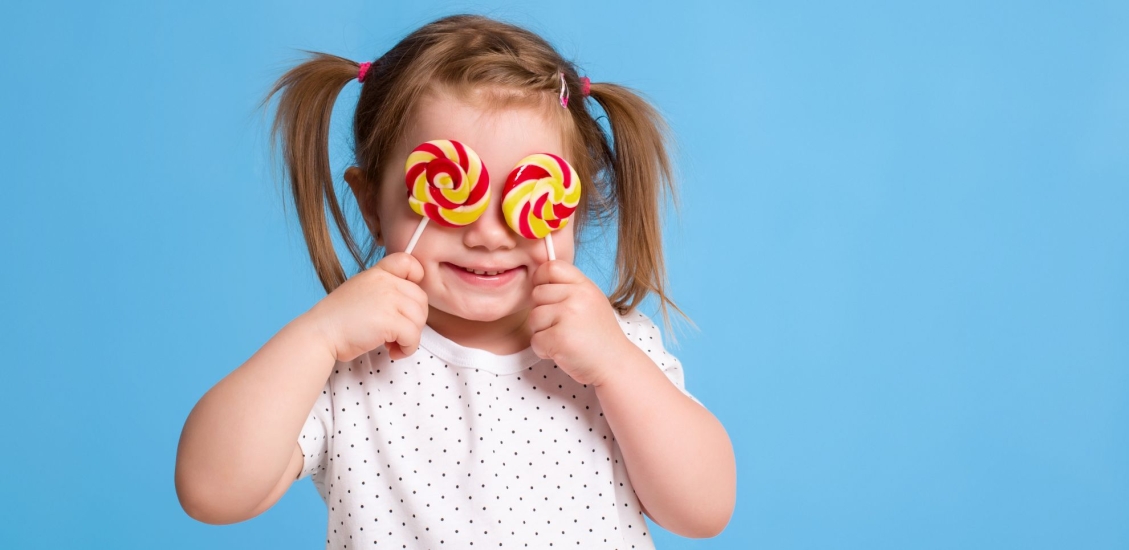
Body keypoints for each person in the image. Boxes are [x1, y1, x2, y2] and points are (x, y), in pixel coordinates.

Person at [175, 14, 736, 548]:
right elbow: (210, 492)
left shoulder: (616, 347)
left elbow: (704, 511)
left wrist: (615, 365)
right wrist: (317, 338)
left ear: (572, 205)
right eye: (450, 199)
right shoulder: (343, 367)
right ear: (373, 204)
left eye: (525, 195)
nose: (490, 236)